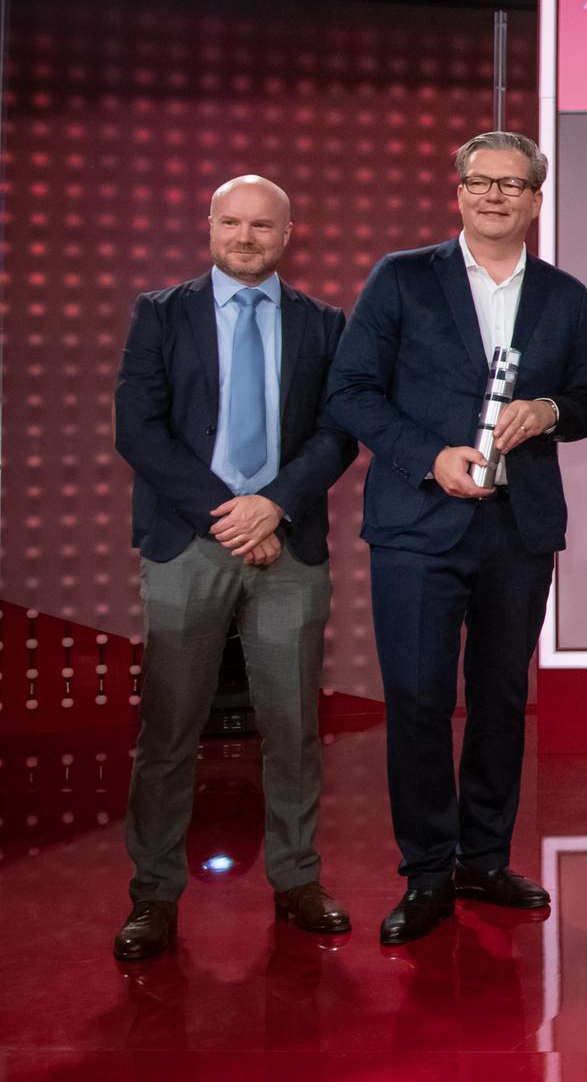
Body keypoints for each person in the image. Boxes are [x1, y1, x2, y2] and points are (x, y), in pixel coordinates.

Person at [326, 130, 587, 945]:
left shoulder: (562, 294)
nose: (494, 196)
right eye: (480, 182)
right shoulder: (403, 278)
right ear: (457, 190)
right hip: (419, 525)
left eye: (513, 185)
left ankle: (485, 856)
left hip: (517, 531)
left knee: (501, 701)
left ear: (535, 201)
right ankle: (425, 870)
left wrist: (551, 411)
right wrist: (428, 456)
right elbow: (351, 391)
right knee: (416, 700)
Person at [108, 175, 360, 960]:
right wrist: (230, 511)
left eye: (262, 225)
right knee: (169, 728)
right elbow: (138, 428)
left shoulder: (324, 324)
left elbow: (338, 431)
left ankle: (295, 878)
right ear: (209, 226)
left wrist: (273, 505)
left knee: (291, 728)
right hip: (190, 541)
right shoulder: (161, 314)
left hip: (286, 546)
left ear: (288, 234)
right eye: (232, 223)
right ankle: (153, 894)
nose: (246, 237)